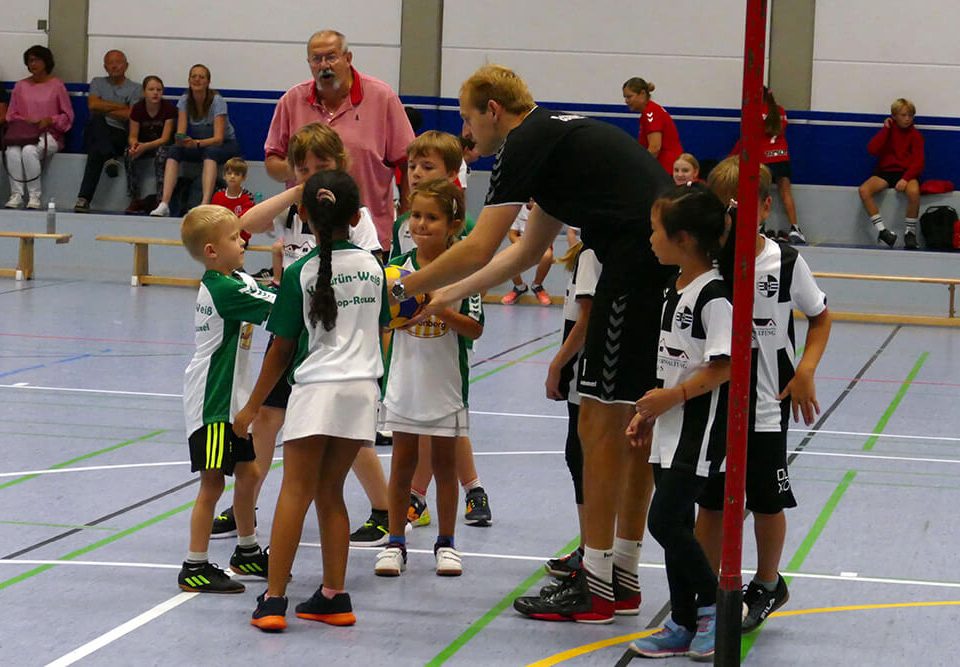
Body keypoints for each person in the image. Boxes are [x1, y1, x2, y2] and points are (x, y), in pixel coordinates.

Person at [396, 64, 671, 623]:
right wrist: (445, 295)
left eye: (468, 117)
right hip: (652, 266)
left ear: (494, 110)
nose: (467, 131)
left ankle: (598, 585)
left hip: (635, 270)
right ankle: (620, 575)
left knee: (600, 422)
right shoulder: (553, 141)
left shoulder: (523, 143)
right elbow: (521, 254)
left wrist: (403, 286)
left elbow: (479, 245)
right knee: (632, 422)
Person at [236, 170, 388, 632]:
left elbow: (281, 349)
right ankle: (334, 596)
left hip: (316, 389)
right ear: (357, 217)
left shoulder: (299, 272)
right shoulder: (375, 269)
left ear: (303, 214)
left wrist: (251, 407)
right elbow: (383, 330)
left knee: (295, 491)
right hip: (362, 393)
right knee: (331, 491)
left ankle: (274, 600)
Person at [224, 122, 388, 550]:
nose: (313, 174)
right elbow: (244, 223)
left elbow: (372, 274)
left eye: (322, 166)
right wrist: (298, 192)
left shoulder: (354, 215)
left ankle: (385, 508)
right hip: (291, 331)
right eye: (304, 167)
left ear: (341, 165)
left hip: (333, 339)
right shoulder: (292, 210)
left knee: (347, 435)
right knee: (266, 418)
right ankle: (245, 503)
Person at [696, 156, 831, 634]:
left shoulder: (786, 262)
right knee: (711, 500)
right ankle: (705, 591)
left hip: (767, 405)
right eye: (723, 209)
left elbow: (820, 317)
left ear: (766, 207)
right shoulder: (707, 264)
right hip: (714, 403)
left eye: (742, 208)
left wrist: (806, 370)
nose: (732, 218)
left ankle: (769, 583)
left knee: (768, 499)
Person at [623, 184, 732, 660]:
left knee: (664, 521)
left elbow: (725, 366)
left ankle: (715, 607)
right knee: (677, 526)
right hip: (668, 429)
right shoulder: (675, 289)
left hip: (698, 431)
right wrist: (650, 411)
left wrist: (674, 397)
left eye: (655, 230)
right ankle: (684, 620)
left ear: (683, 238)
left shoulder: (714, 296)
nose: (650, 239)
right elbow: (674, 361)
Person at [375, 179, 484, 577]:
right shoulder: (397, 270)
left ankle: (447, 543)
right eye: (416, 215)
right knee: (402, 463)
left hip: (446, 384)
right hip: (405, 381)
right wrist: (395, 320)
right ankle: (395, 543)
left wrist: (440, 310)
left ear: (453, 225)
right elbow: (383, 318)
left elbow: (475, 328)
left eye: (432, 218)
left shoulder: (464, 271)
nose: (421, 224)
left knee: (443, 466)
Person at [389, 130, 492, 529]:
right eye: (412, 165)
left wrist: (442, 304)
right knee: (419, 422)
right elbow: (397, 282)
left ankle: (465, 489)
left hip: (449, 337)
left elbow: (473, 286)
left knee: (445, 418)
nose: (416, 173)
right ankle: (427, 496)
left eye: (427, 166)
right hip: (412, 337)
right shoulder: (404, 226)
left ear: (452, 174)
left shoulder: (466, 229)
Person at [176, 204, 277, 594]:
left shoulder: (235, 279)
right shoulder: (224, 290)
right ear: (212, 251)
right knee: (213, 483)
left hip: (232, 401)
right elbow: (280, 306)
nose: (243, 243)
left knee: (249, 474)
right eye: (235, 238)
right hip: (213, 402)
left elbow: (264, 289)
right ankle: (195, 565)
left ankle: (247, 551)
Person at [263, 29, 415, 251]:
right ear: (309, 63)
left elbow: (407, 162)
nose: (324, 65)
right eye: (317, 59)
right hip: (306, 238)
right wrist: (303, 170)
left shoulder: (382, 97)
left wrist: (407, 216)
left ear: (348, 58)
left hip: (368, 235)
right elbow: (271, 162)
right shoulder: (291, 101)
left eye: (331, 57)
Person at [541, 240, 601, 579]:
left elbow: (588, 318)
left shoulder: (592, 255)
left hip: (587, 373)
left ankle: (593, 552)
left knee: (583, 459)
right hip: (586, 373)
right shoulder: (586, 253)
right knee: (579, 457)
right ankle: (589, 548)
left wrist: (558, 364)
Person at [150, 64, 241, 216]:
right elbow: (180, 132)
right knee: (174, 151)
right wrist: (181, 139)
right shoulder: (185, 100)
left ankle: (204, 204)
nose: (197, 80)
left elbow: (218, 139)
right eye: (193, 76)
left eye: (201, 77)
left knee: (211, 152)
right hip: (199, 144)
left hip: (225, 144)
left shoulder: (217, 101)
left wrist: (196, 143)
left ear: (208, 82)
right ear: (189, 80)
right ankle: (164, 203)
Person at [731, 87, 806, 244]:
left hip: (764, 158)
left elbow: (749, 136)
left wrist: (733, 155)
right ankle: (795, 229)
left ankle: (760, 227)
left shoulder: (754, 112)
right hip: (782, 156)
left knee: (760, 194)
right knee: (786, 193)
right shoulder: (780, 111)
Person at [3, 45, 73, 210]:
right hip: (23, 133)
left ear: (46, 62)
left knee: (29, 151)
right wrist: (26, 121)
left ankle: (34, 196)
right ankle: (16, 194)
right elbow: (11, 114)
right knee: (11, 151)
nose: (33, 64)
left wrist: (50, 120)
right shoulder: (20, 86)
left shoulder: (57, 86)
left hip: (50, 134)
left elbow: (67, 115)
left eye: (37, 60)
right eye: (30, 61)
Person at [73, 50, 141, 213]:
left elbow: (131, 115)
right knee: (97, 120)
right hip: (95, 131)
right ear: (105, 67)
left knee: (96, 149)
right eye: (110, 63)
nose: (114, 66)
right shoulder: (97, 82)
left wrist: (104, 106)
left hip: (119, 135)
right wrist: (121, 107)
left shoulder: (136, 88)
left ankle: (84, 199)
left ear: (126, 66)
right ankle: (109, 157)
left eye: (118, 62)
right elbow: (93, 105)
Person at [857, 98, 924, 249]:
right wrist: (886, 129)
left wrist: (906, 178)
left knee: (914, 191)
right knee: (864, 190)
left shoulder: (915, 135)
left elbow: (918, 162)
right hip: (886, 172)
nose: (907, 119)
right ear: (894, 116)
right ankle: (883, 231)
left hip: (906, 173)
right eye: (903, 115)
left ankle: (910, 233)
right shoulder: (888, 131)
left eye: (910, 115)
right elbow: (872, 149)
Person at [124, 75, 177, 214]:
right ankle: (134, 198)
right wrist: (135, 146)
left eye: (159, 90)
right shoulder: (137, 108)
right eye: (151, 89)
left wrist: (145, 146)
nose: (155, 93)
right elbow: (133, 136)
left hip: (161, 145)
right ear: (144, 92)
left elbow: (165, 138)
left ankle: (161, 199)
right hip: (142, 145)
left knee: (161, 154)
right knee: (128, 154)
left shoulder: (169, 109)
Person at [622, 77, 683, 176]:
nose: (626, 101)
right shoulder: (651, 110)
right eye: (625, 97)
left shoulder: (651, 113)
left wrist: (640, 168)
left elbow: (655, 148)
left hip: (666, 169)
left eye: (629, 97)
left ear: (642, 94)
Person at [500, 200, 554, 306]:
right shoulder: (518, 210)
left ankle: (537, 286)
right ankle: (519, 287)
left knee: (547, 256)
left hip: (540, 244)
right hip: (522, 244)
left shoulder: (544, 210)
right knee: (508, 257)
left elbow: (548, 234)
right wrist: (522, 244)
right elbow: (512, 234)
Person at [211, 157, 256, 244]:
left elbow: (246, 221)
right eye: (229, 173)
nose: (232, 176)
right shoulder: (217, 195)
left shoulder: (247, 197)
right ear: (224, 176)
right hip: (220, 236)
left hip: (240, 238)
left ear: (243, 178)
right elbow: (213, 218)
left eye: (237, 174)